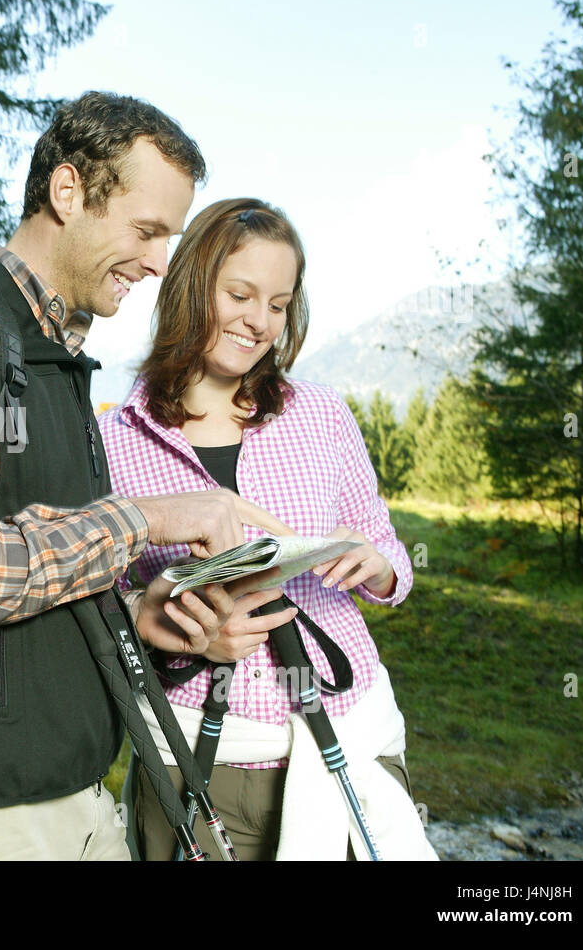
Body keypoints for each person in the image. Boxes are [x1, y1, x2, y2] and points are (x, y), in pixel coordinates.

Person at [0, 93, 289, 860]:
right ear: (68, 191)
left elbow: (37, 568)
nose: (159, 262)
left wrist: (142, 616)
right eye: (147, 231)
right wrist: (149, 519)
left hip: (61, 805)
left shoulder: (51, 358)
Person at [98, 196, 437, 860]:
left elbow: (387, 544)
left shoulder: (322, 415)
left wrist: (379, 563)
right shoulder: (114, 440)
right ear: (194, 285)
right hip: (203, 761)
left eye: (279, 304)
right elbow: (105, 614)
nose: (259, 321)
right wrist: (194, 640)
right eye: (241, 294)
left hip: (350, 741)